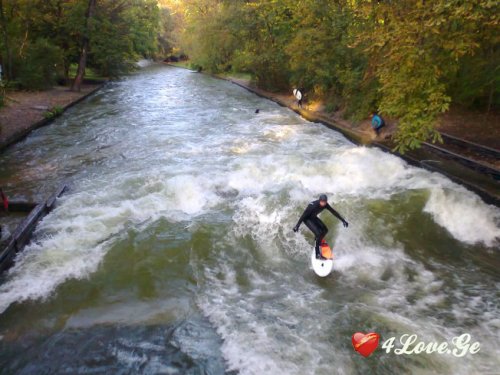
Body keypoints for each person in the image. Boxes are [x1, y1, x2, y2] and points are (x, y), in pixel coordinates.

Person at [293, 194, 348, 259]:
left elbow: (333, 212)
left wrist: (343, 220)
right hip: (307, 219)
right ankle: (317, 254)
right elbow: (303, 215)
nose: (323, 203)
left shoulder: (325, 205)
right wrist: (297, 225)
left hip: (313, 217)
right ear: (319, 200)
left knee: (325, 230)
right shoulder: (312, 206)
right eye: (322, 202)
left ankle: (317, 240)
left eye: (325, 202)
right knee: (318, 233)